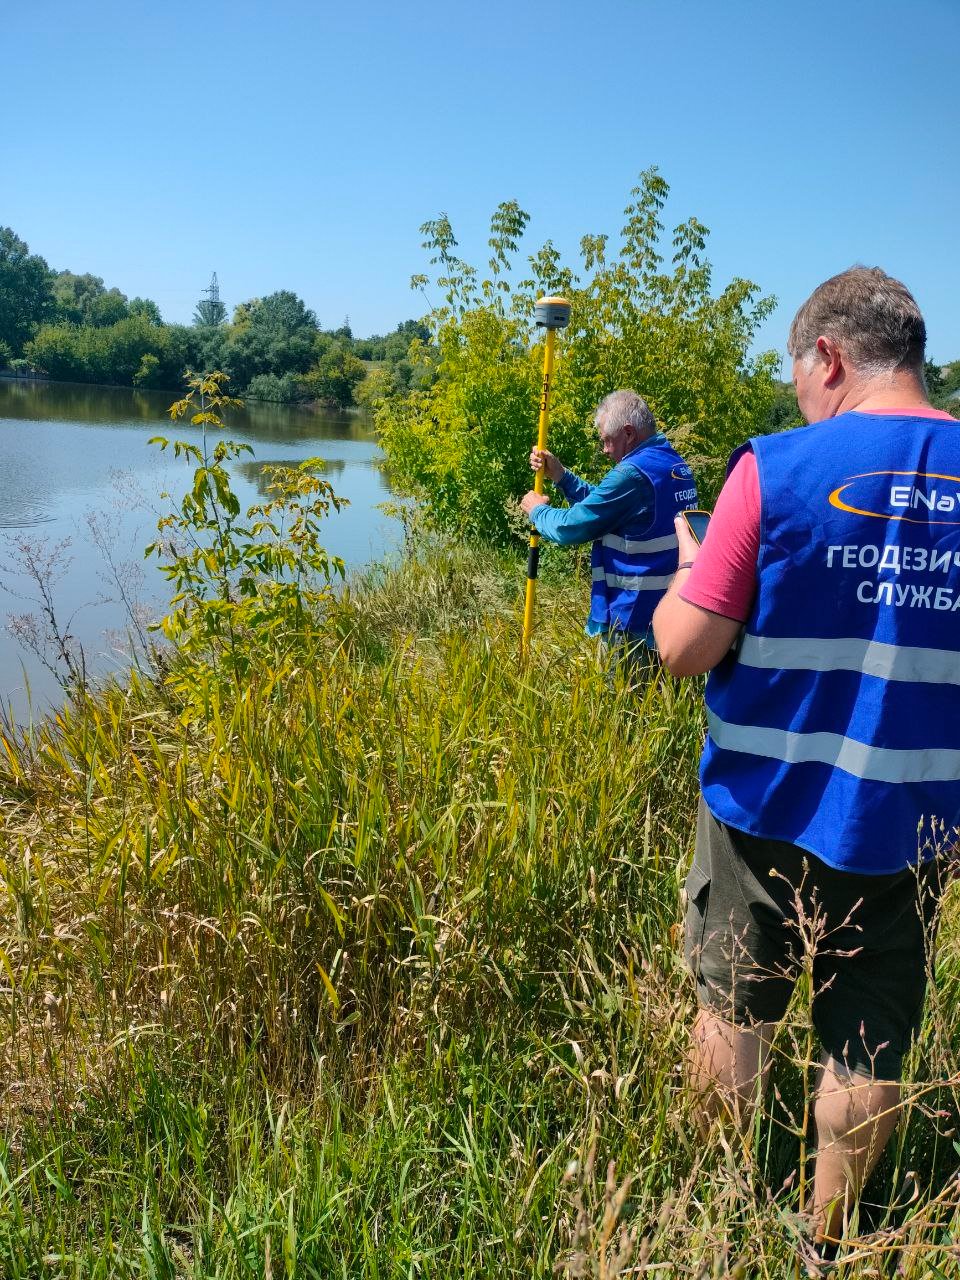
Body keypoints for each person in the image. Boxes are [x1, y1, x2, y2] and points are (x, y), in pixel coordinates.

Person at [652, 266, 959, 1248]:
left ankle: (708, 1219)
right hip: (912, 819)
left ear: (828, 354)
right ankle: (827, 1241)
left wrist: (691, 573)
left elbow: (682, 648)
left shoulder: (775, 471)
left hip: (762, 806)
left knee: (731, 1006)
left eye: (800, 376)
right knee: (867, 1035)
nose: (803, 400)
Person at [520, 389, 697, 666]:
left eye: (606, 441)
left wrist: (537, 510)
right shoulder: (673, 464)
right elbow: (609, 507)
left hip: (631, 622)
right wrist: (562, 477)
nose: (604, 450)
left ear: (628, 434)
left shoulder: (632, 474)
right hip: (669, 615)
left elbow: (572, 526)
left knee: (626, 705)